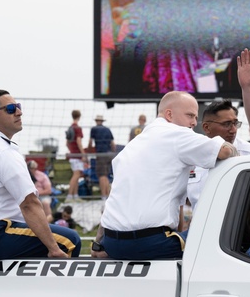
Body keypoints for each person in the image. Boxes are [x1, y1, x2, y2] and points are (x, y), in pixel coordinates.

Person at [101, 91, 238, 260]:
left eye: (196, 117)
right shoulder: (177, 134)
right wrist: (237, 152)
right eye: (190, 115)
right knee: (230, 234)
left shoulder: (132, 145)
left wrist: (98, 243)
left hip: (111, 243)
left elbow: (114, 198)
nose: (194, 122)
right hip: (149, 244)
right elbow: (224, 150)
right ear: (169, 114)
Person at [0, 90, 81, 260]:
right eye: (11, 108)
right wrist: (53, 249)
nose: (19, 112)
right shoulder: (3, 151)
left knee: (35, 232)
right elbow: (29, 203)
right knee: (69, 241)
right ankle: (49, 287)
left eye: (18, 106)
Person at [188, 100, 250, 209]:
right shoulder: (191, 156)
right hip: (200, 224)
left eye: (235, 123)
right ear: (206, 128)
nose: (233, 130)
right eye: (226, 124)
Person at [88, 114, 116, 200]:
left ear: (96, 121)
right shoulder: (107, 129)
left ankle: (103, 195)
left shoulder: (94, 129)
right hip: (108, 154)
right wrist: (112, 153)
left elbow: (90, 142)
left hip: (101, 154)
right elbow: (113, 144)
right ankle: (108, 194)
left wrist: (89, 152)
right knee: (106, 175)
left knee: (101, 175)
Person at [65, 109, 85, 199]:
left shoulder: (70, 128)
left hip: (72, 154)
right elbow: (79, 141)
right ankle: (69, 196)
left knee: (76, 175)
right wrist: (83, 154)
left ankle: (76, 195)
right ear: (79, 117)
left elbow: (66, 143)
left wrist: (71, 150)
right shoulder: (77, 128)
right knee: (76, 175)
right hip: (77, 155)